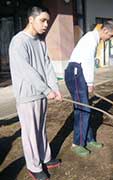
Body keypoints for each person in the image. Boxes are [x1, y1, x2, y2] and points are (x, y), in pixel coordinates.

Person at [9, 5, 62, 180]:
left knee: (40, 130)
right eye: (43, 20)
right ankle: (34, 166)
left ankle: (45, 158)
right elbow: (26, 71)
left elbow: (47, 67)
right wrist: (47, 90)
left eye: (48, 20)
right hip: (27, 96)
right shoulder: (19, 42)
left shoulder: (40, 42)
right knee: (30, 133)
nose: (46, 24)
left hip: (42, 94)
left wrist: (55, 89)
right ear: (31, 19)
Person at [64, 20, 113, 157]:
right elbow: (87, 62)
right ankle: (77, 143)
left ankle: (89, 139)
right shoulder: (91, 39)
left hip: (79, 72)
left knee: (86, 108)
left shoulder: (93, 38)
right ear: (105, 31)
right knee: (83, 109)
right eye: (111, 36)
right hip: (76, 72)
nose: (109, 39)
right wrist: (90, 83)